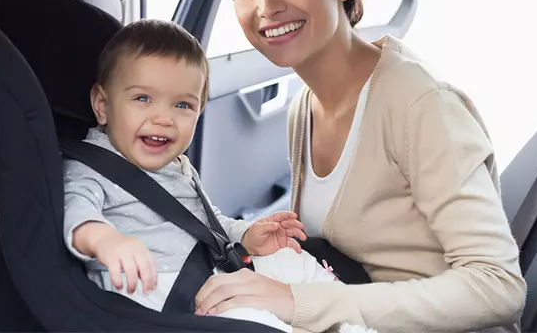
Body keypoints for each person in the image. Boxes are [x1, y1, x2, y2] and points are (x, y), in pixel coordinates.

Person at [193, 0, 527, 332]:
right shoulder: (303, 108)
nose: (267, 6)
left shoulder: (419, 102)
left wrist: (299, 301)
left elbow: (499, 287)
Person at [62, 19, 351, 333]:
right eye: (143, 98)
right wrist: (105, 239)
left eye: (182, 105)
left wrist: (245, 234)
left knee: (297, 263)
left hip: (214, 272)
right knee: (259, 322)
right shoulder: (91, 167)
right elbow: (75, 210)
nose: (163, 118)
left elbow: (206, 221)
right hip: (165, 298)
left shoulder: (177, 166)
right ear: (102, 105)